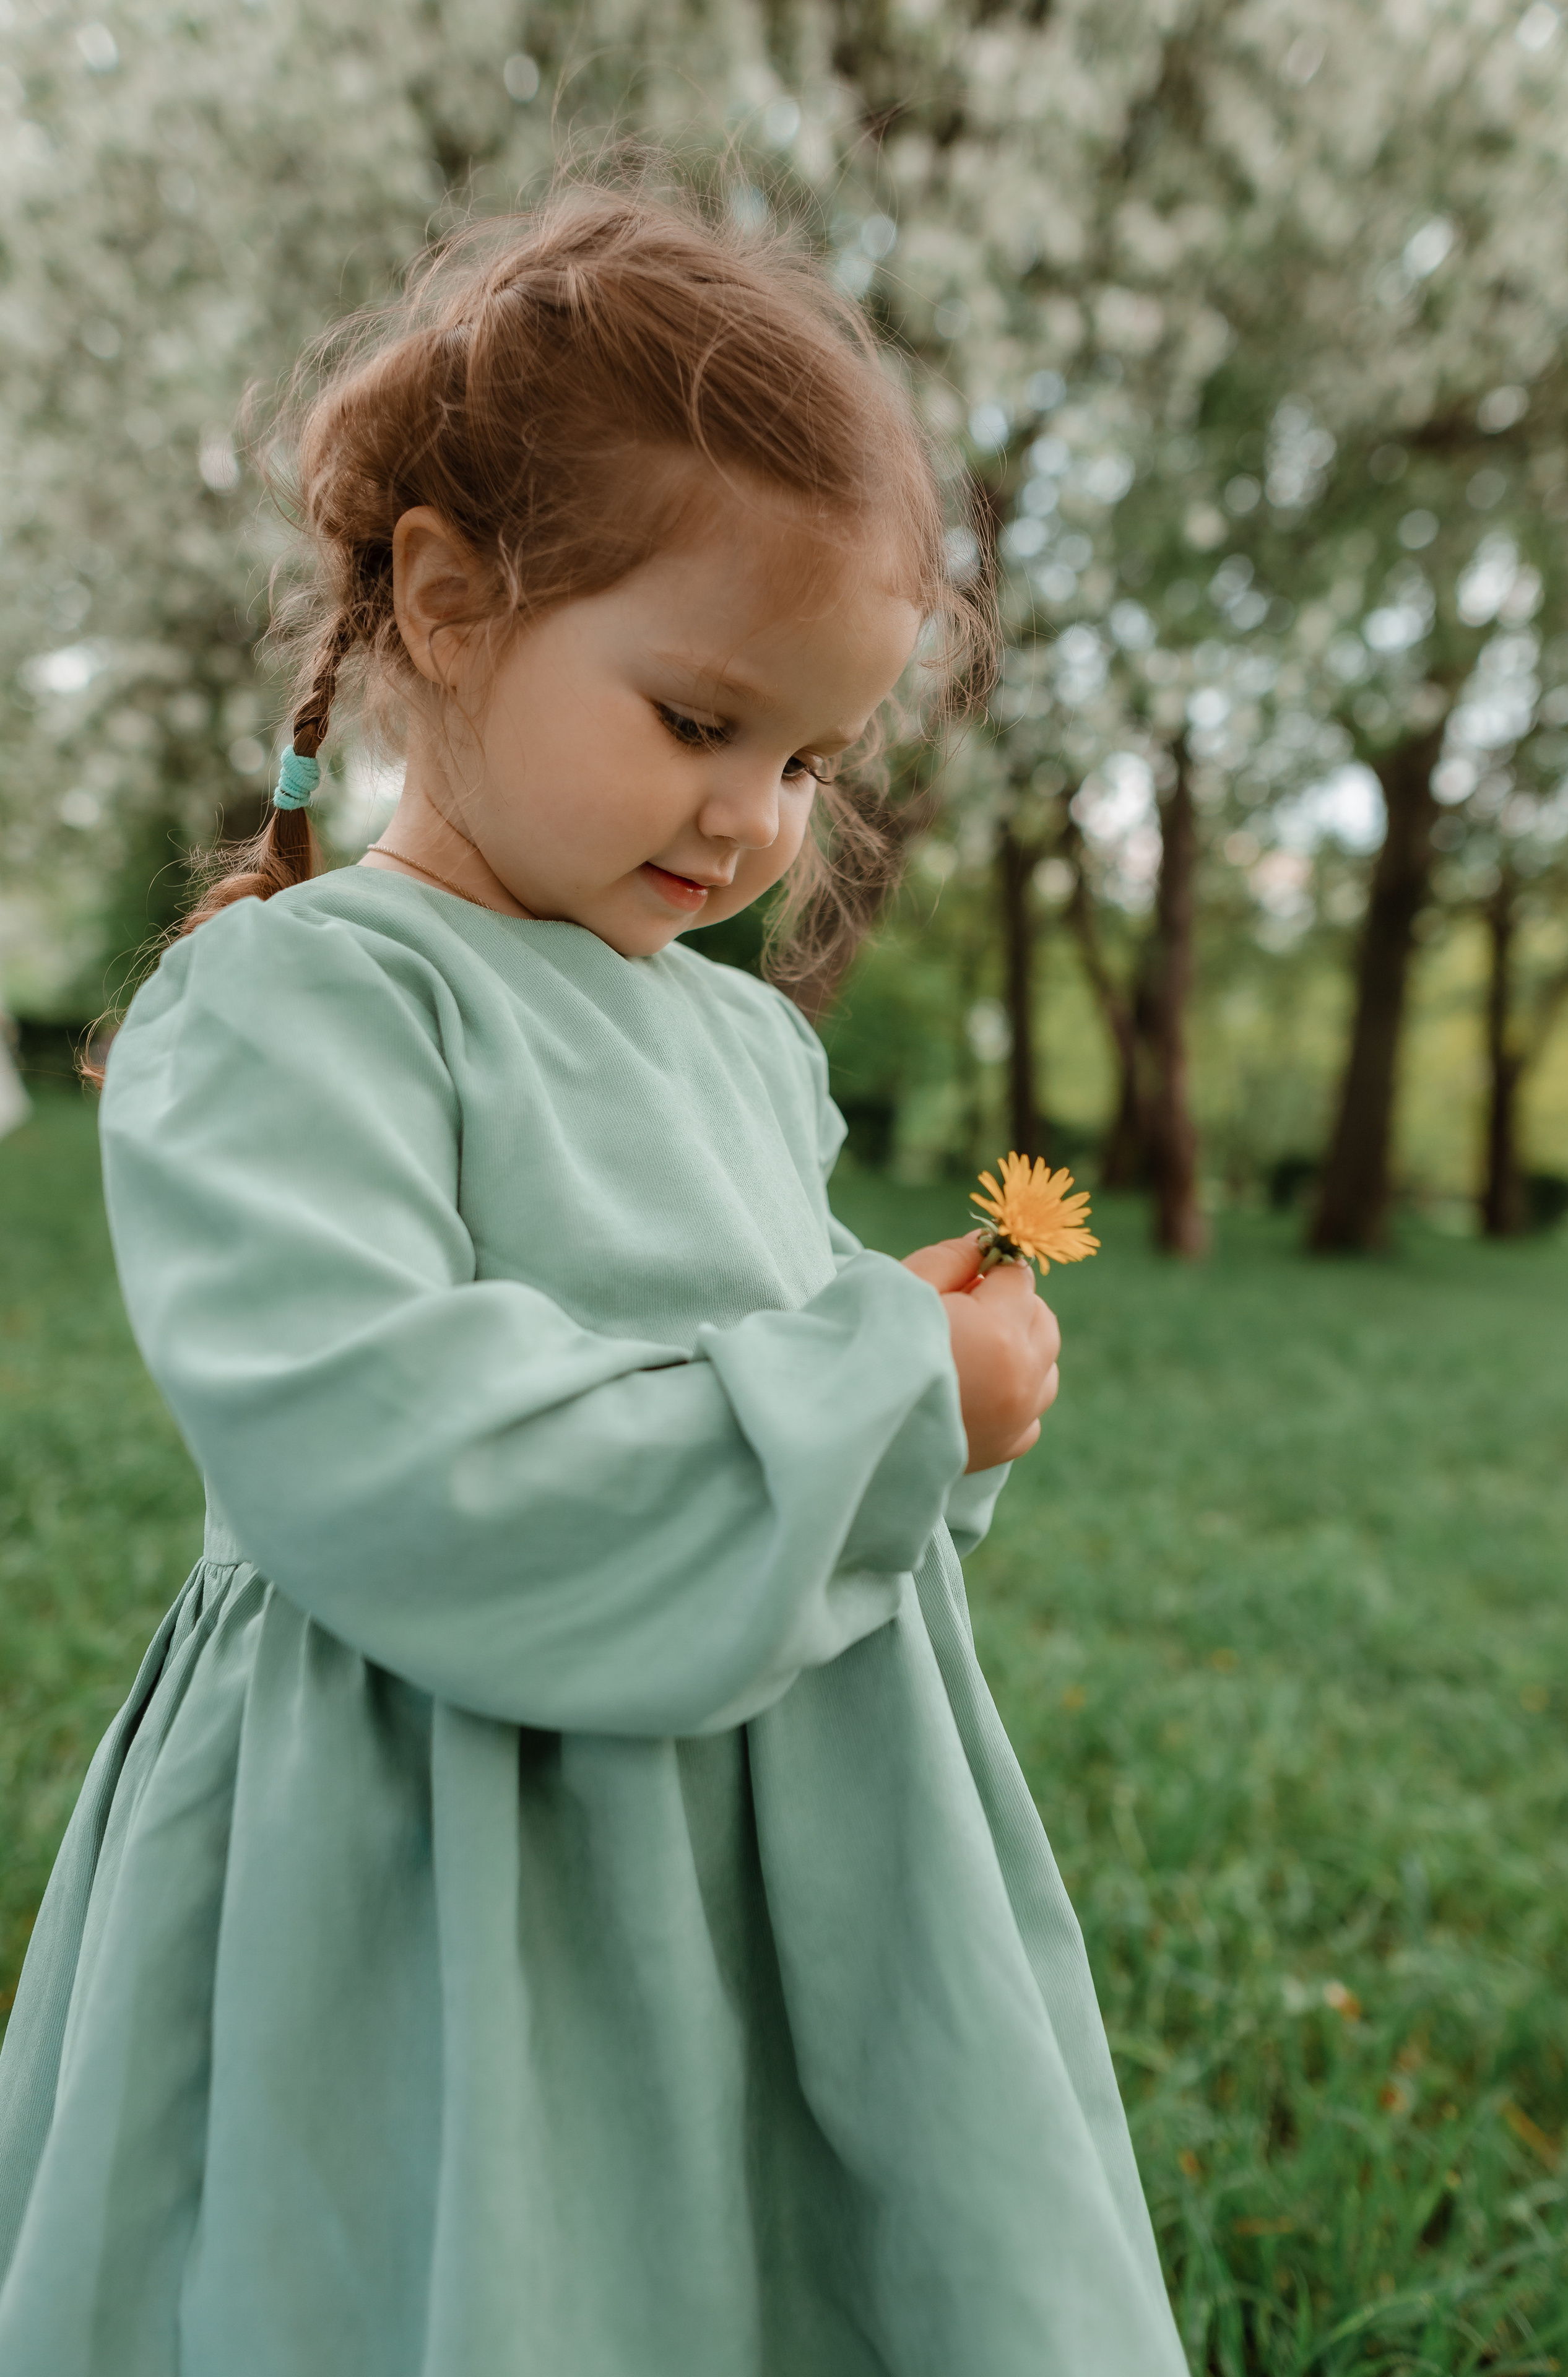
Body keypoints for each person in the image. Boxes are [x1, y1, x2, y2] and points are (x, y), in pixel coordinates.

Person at [0, 184, 1187, 2377]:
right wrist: (870, 1394)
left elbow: (779, 1381)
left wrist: (906, 1349)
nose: (749, 820)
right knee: (488, 2254)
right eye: (698, 716)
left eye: (808, 762)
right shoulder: (303, 1003)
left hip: (777, 1825)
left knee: (751, 2245)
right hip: (428, 1822)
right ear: (451, 605)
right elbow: (389, 1443)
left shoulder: (743, 1037)